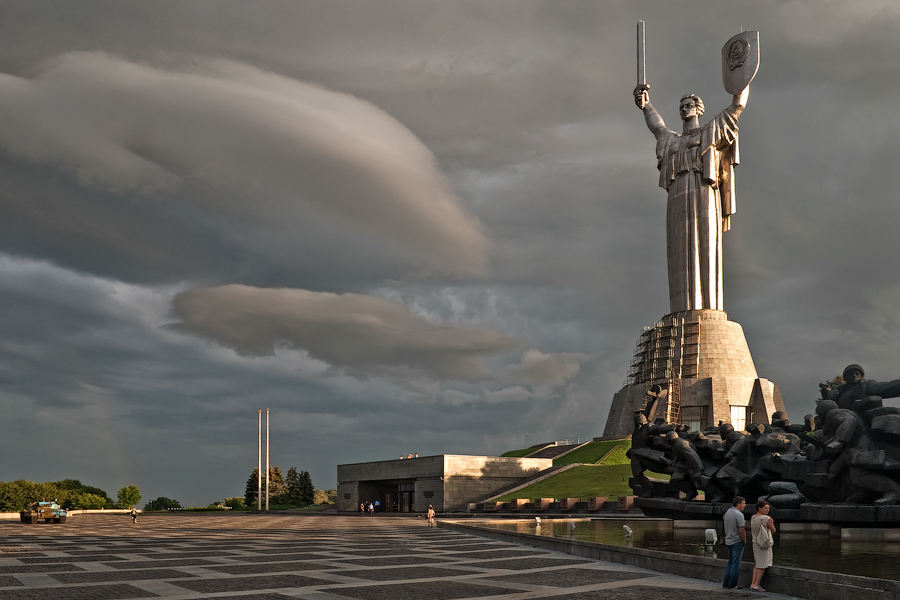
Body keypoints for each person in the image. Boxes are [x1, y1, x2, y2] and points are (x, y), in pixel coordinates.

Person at [634, 83, 749, 313]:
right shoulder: (672, 141)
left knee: (706, 244)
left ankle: (708, 309)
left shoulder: (710, 131)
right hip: (677, 196)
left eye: (688, 106)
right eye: (681, 107)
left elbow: (737, 107)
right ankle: (682, 310)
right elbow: (657, 126)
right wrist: (646, 105)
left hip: (704, 190)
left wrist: (741, 80)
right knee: (678, 251)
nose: (684, 110)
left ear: (699, 110)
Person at [750, 499, 775, 591]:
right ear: (759, 508)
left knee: (757, 564)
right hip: (763, 544)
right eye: (765, 508)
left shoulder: (753, 517)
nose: (767, 510)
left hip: (755, 543)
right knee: (762, 565)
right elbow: (773, 530)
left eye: (768, 508)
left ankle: (753, 583)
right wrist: (771, 522)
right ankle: (756, 584)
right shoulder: (766, 518)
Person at [722, 495, 746, 589]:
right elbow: (741, 530)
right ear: (738, 504)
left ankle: (726, 583)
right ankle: (732, 584)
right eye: (743, 503)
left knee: (730, 562)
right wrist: (744, 539)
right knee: (736, 563)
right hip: (737, 541)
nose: (745, 505)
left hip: (728, 540)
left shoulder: (728, 512)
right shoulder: (739, 514)